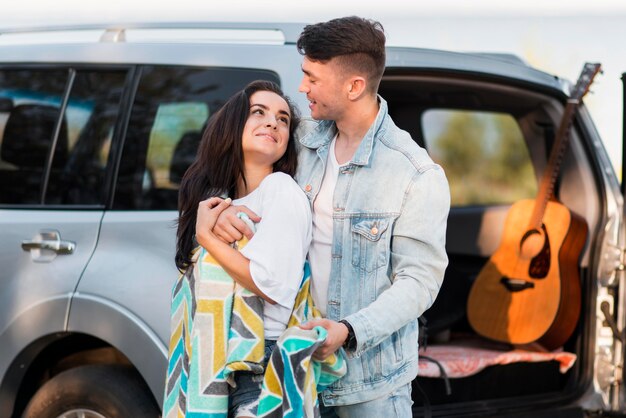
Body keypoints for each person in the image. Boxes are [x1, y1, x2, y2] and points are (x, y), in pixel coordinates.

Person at [213, 17, 450, 418]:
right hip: (292, 370)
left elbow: (419, 282)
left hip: (370, 386)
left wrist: (349, 330)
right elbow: (245, 175)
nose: (301, 88)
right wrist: (220, 211)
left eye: (311, 77)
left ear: (354, 86)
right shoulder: (300, 138)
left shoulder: (415, 174)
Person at [165, 80, 312, 418]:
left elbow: (272, 284)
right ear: (232, 125)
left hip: (260, 366)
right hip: (219, 364)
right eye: (258, 112)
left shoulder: (281, 189)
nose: (273, 122)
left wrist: (208, 238)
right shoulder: (220, 203)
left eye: (283, 119)